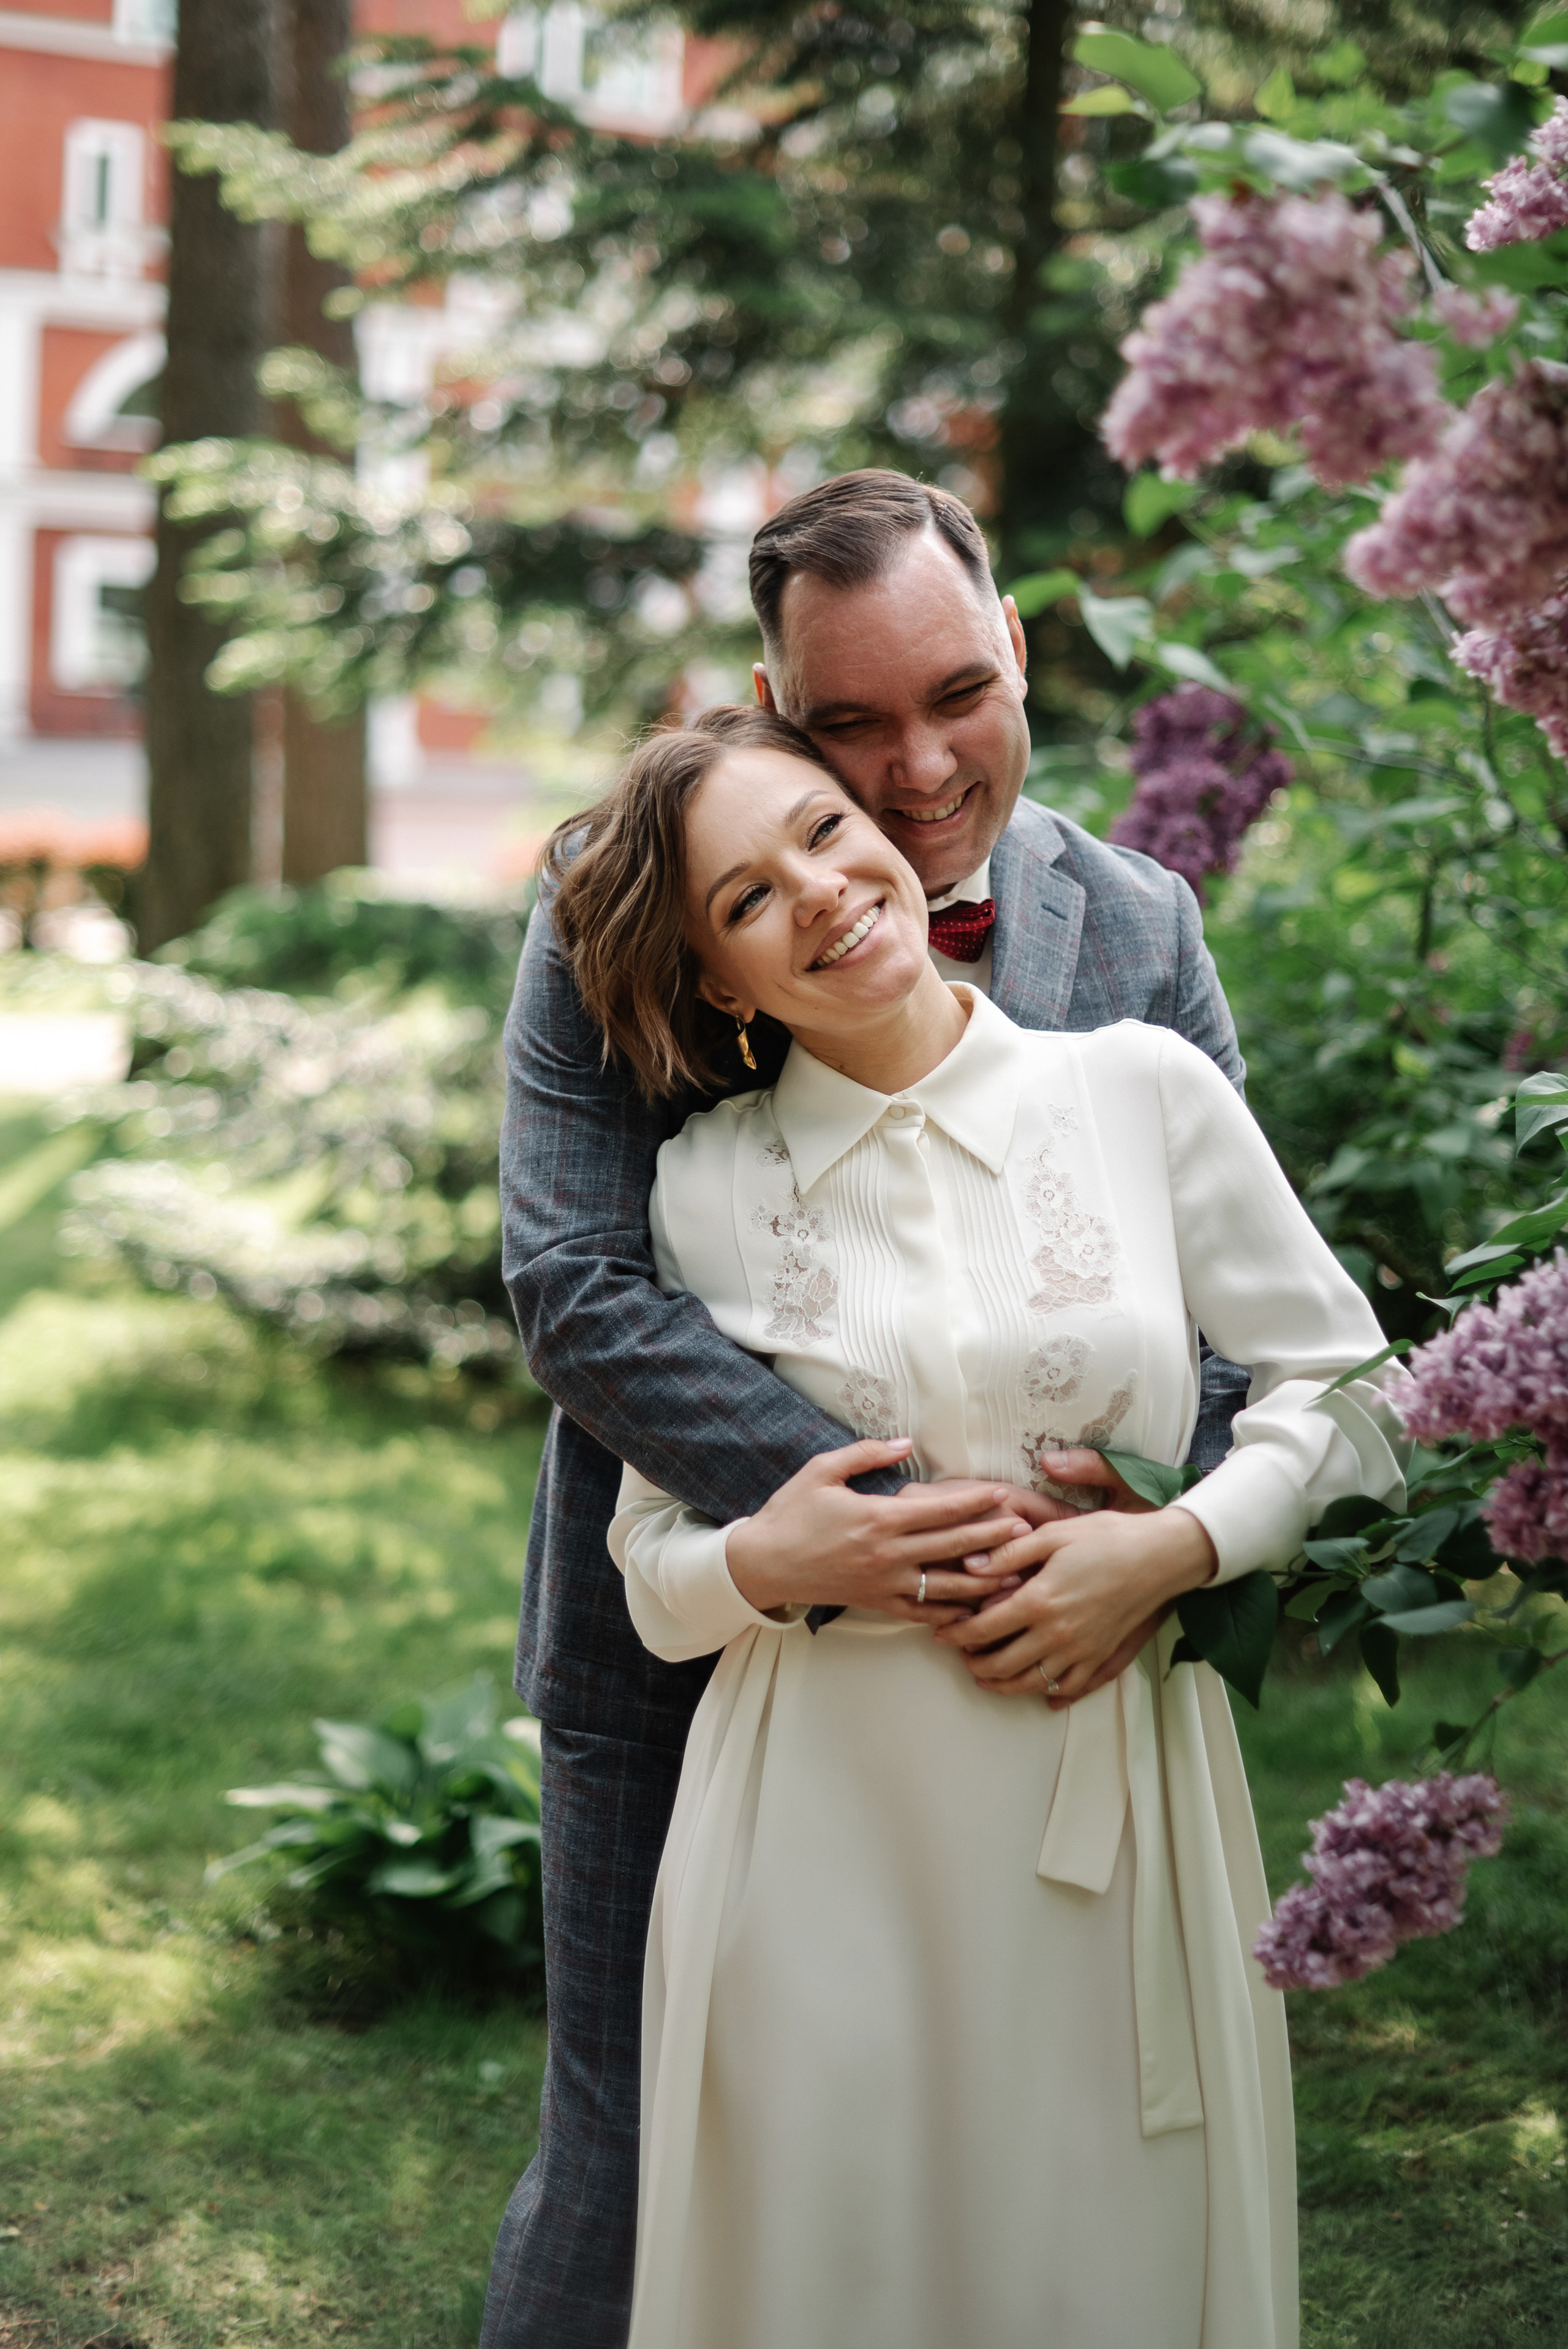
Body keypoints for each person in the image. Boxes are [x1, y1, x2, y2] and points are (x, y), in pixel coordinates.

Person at [481, 472, 1254, 2349]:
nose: (914, 774)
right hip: (692, 1647)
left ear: (1013, 641)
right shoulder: (630, 899)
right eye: (845, 725)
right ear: (768, 704)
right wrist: (899, 1527)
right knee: (634, 2158)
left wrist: (1159, 1537)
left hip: (1054, 1696)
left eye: (953, 696)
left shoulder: (1140, 925)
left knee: (1001, 2177)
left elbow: (1239, 1319)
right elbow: (576, 1279)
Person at [549, 708, 1408, 2349]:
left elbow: (1356, 1392)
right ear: (723, 980)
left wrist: (1177, 1548)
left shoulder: (1136, 1089)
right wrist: (767, 1562)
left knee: (1103, 2271)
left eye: (819, 827)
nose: (817, 889)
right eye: (744, 898)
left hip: (1111, 1817)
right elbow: (653, 1575)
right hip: (814, 1840)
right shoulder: (706, 1185)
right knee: (837, 2278)